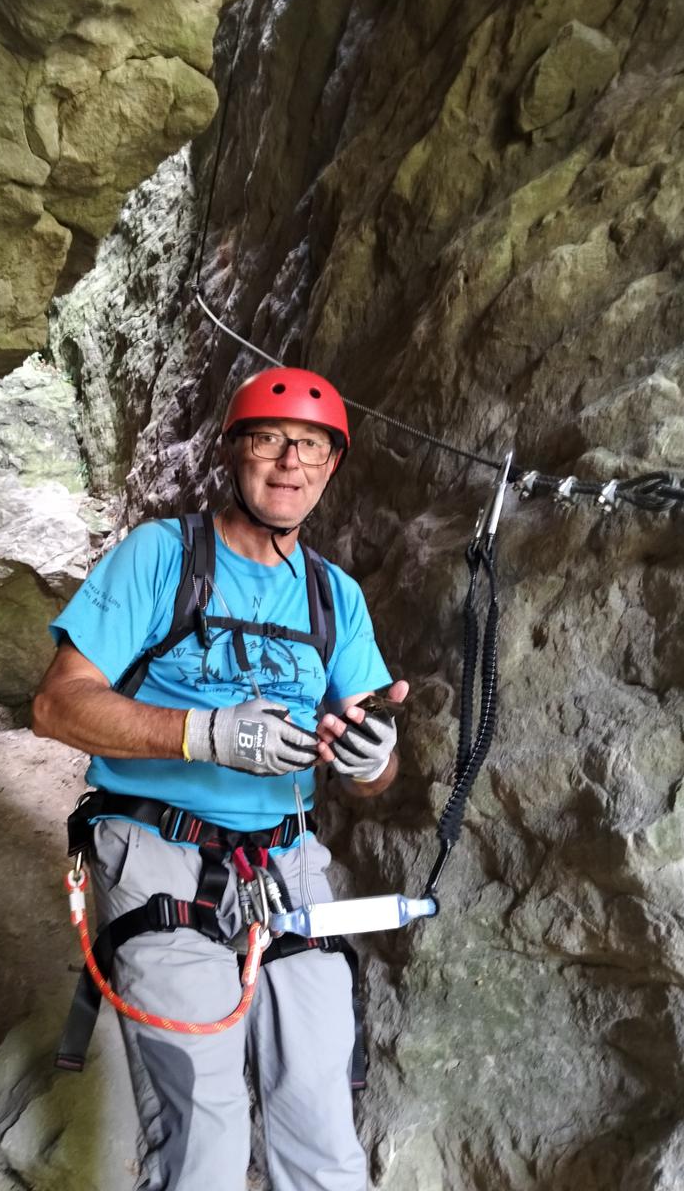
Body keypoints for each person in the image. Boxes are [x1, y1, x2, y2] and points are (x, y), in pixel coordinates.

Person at [32, 366, 408, 1191]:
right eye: (268, 440)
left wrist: (370, 756)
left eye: (310, 446)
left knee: (324, 1133)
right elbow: (58, 707)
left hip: (285, 863)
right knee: (200, 1141)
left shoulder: (332, 597)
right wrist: (202, 734)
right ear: (232, 453)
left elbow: (376, 764)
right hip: (158, 850)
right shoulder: (161, 559)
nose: (288, 463)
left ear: (331, 466)